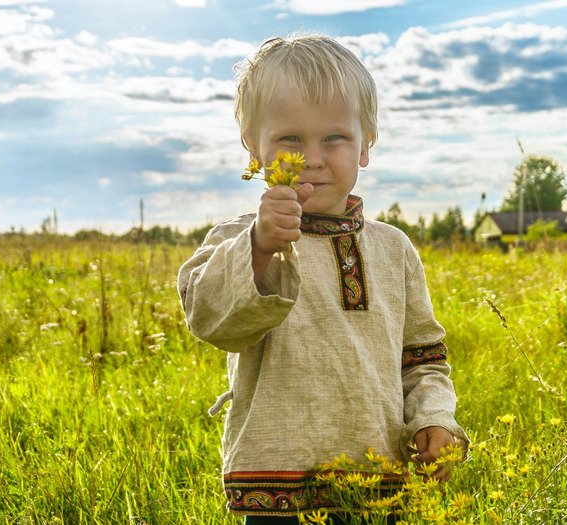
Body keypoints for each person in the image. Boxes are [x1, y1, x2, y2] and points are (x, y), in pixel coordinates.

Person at [177, 33, 469, 524]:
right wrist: (260, 247)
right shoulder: (237, 240)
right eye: (290, 140)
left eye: (334, 138)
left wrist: (434, 418)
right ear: (253, 147)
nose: (312, 158)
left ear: (365, 145)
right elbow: (211, 321)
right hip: (276, 490)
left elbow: (422, 357)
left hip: (380, 484)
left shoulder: (392, 248)